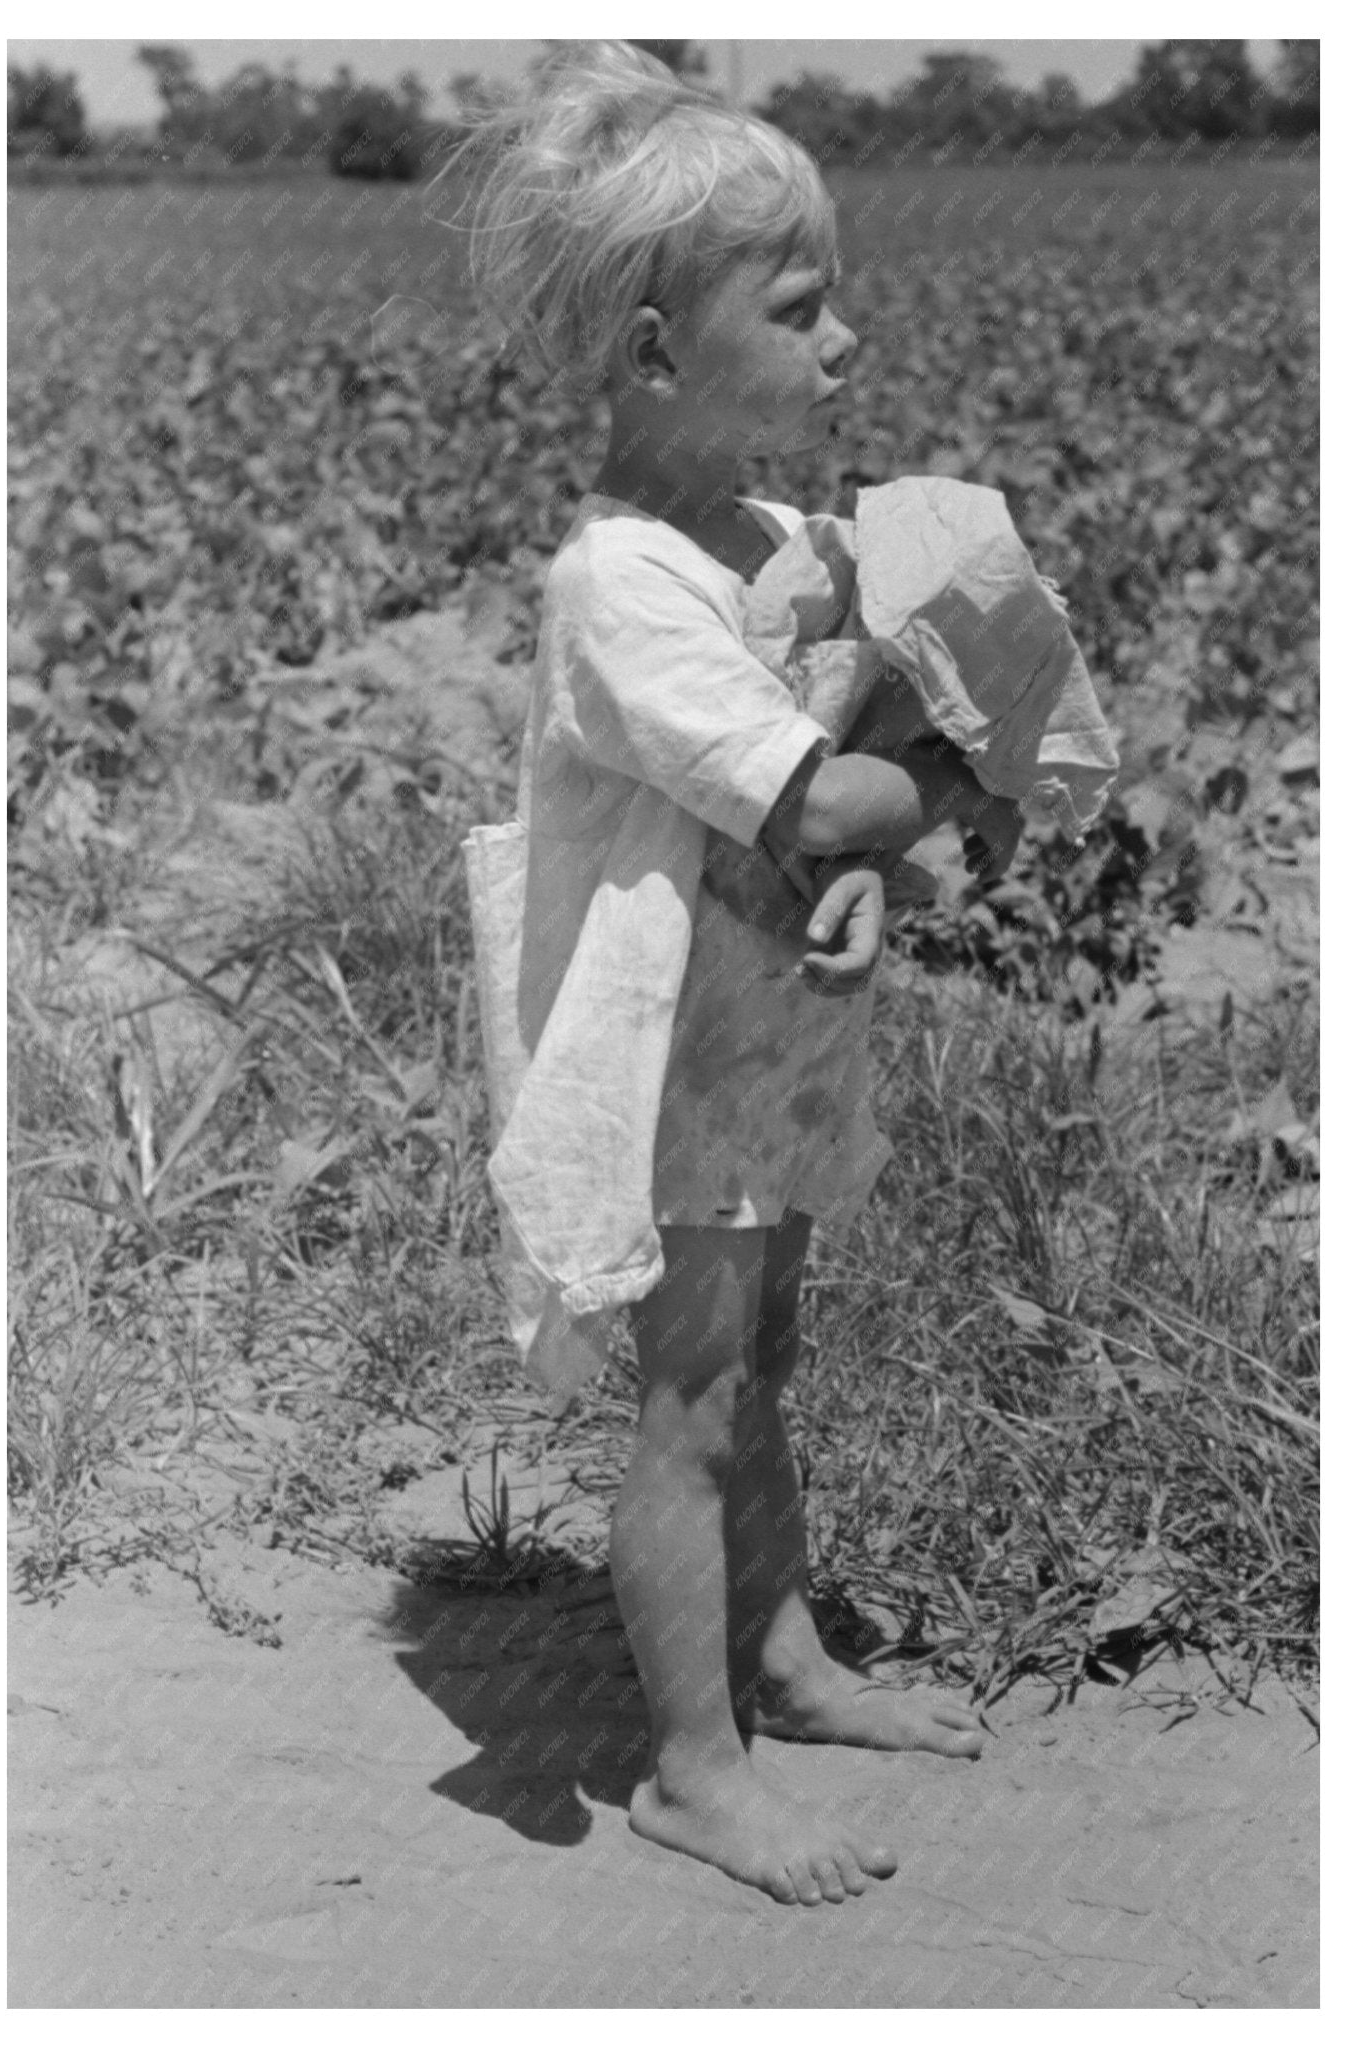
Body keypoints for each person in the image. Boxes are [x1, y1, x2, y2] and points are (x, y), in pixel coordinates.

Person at [441, 42, 1023, 1908]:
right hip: (676, 1056)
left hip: (773, 1030)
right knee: (687, 1402)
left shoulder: (775, 539)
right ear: (651, 355)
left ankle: (781, 1662)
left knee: (761, 1357)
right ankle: (694, 1769)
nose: (843, 337)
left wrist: (868, 846)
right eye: (799, 305)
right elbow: (828, 779)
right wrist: (947, 765)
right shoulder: (620, 585)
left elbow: (830, 810)